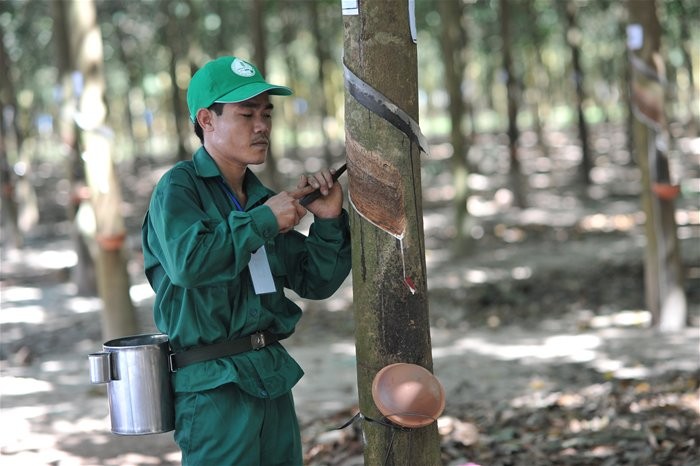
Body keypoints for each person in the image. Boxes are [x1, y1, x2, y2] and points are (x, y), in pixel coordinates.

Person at [141, 56, 352, 466]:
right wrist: (263, 220)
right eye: (246, 114)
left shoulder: (260, 198)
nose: (262, 126)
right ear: (207, 120)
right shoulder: (179, 188)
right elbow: (189, 263)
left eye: (266, 114)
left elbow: (315, 281)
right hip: (214, 387)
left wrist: (327, 222)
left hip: (269, 376)